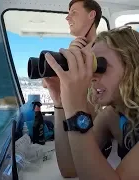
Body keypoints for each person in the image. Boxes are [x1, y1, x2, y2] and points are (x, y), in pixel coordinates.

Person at [45, 26, 139, 179]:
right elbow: (70, 168)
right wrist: (61, 102)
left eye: (99, 66)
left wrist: (76, 108)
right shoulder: (112, 115)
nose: (91, 76)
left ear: (132, 67)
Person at [42, 0, 104, 177]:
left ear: (91, 15)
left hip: (91, 130)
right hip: (74, 131)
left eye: (74, 12)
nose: (67, 17)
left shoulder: (105, 54)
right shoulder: (76, 50)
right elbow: (46, 83)